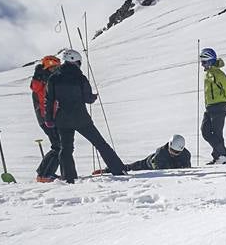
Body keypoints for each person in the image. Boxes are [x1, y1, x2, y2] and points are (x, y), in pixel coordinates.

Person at [44, 48, 127, 182]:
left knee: (66, 149)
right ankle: (118, 169)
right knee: (100, 143)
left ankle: (68, 177)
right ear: (75, 61)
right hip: (81, 118)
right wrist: (93, 97)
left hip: (62, 119)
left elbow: (49, 100)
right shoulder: (80, 77)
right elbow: (87, 98)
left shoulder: (53, 78)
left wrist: (48, 119)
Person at [200, 47, 226, 165]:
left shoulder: (219, 74)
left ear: (210, 60)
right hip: (209, 108)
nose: (202, 65)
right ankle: (221, 155)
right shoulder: (208, 74)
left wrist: (224, 104)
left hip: (219, 107)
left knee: (217, 133)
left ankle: (222, 156)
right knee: (205, 131)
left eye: (204, 62)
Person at [30, 54, 61, 182]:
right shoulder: (41, 81)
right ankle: (44, 174)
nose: (55, 70)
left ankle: (44, 173)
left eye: (56, 68)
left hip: (50, 117)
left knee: (58, 145)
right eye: (52, 68)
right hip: (47, 118)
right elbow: (43, 98)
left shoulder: (47, 79)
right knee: (58, 146)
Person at [93, 135, 192, 173]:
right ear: (169, 145)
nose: (174, 154)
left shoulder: (186, 155)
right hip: (148, 163)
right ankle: (108, 170)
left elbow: (187, 170)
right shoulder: (161, 153)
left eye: (177, 152)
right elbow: (162, 171)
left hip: (167, 164)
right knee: (130, 167)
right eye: (172, 151)